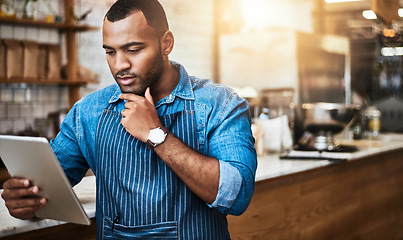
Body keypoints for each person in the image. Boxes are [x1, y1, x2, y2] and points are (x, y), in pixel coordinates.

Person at [1, 0, 257, 239]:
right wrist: (23, 201)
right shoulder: (88, 112)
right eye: (110, 52)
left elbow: (237, 196)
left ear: (166, 43)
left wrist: (156, 134)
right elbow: (45, 188)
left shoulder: (220, 104)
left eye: (133, 49)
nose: (119, 64)